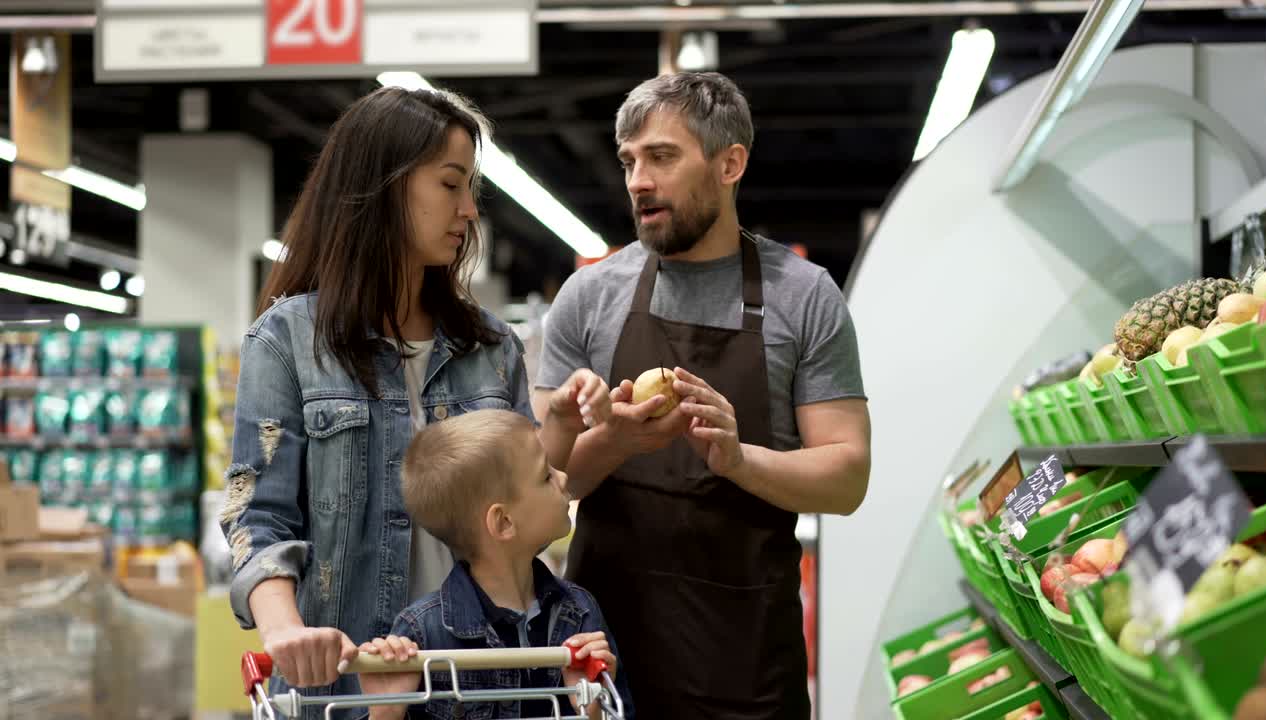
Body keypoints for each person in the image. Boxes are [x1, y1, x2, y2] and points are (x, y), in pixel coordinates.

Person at [219, 86, 611, 719]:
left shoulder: (490, 347)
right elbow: (255, 516)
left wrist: (561, 427)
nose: (468, 211)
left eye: (470, 190)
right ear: (386, 186)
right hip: (347, 689)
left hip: (487, 688)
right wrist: (285, 631)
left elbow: (515, 501)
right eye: (450, 185)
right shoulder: (288, 341)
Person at [533, 71, 872, 718]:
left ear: (730, 164)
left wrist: (740, 459)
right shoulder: (589, 297)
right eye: (629, 161)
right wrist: (617, 439)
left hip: (745, 664)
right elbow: (545, 485)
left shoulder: (804, 296)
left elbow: (846, 477)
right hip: (602, 663)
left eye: (661, 157)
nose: (637, 180)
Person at [354, 409, 634, 720]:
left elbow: (620, 712)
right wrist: (386, 714)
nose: (564, 476)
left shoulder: (580, 611)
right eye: (545, 475)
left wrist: (592, 709)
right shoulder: (420, 635)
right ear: (503, 522)